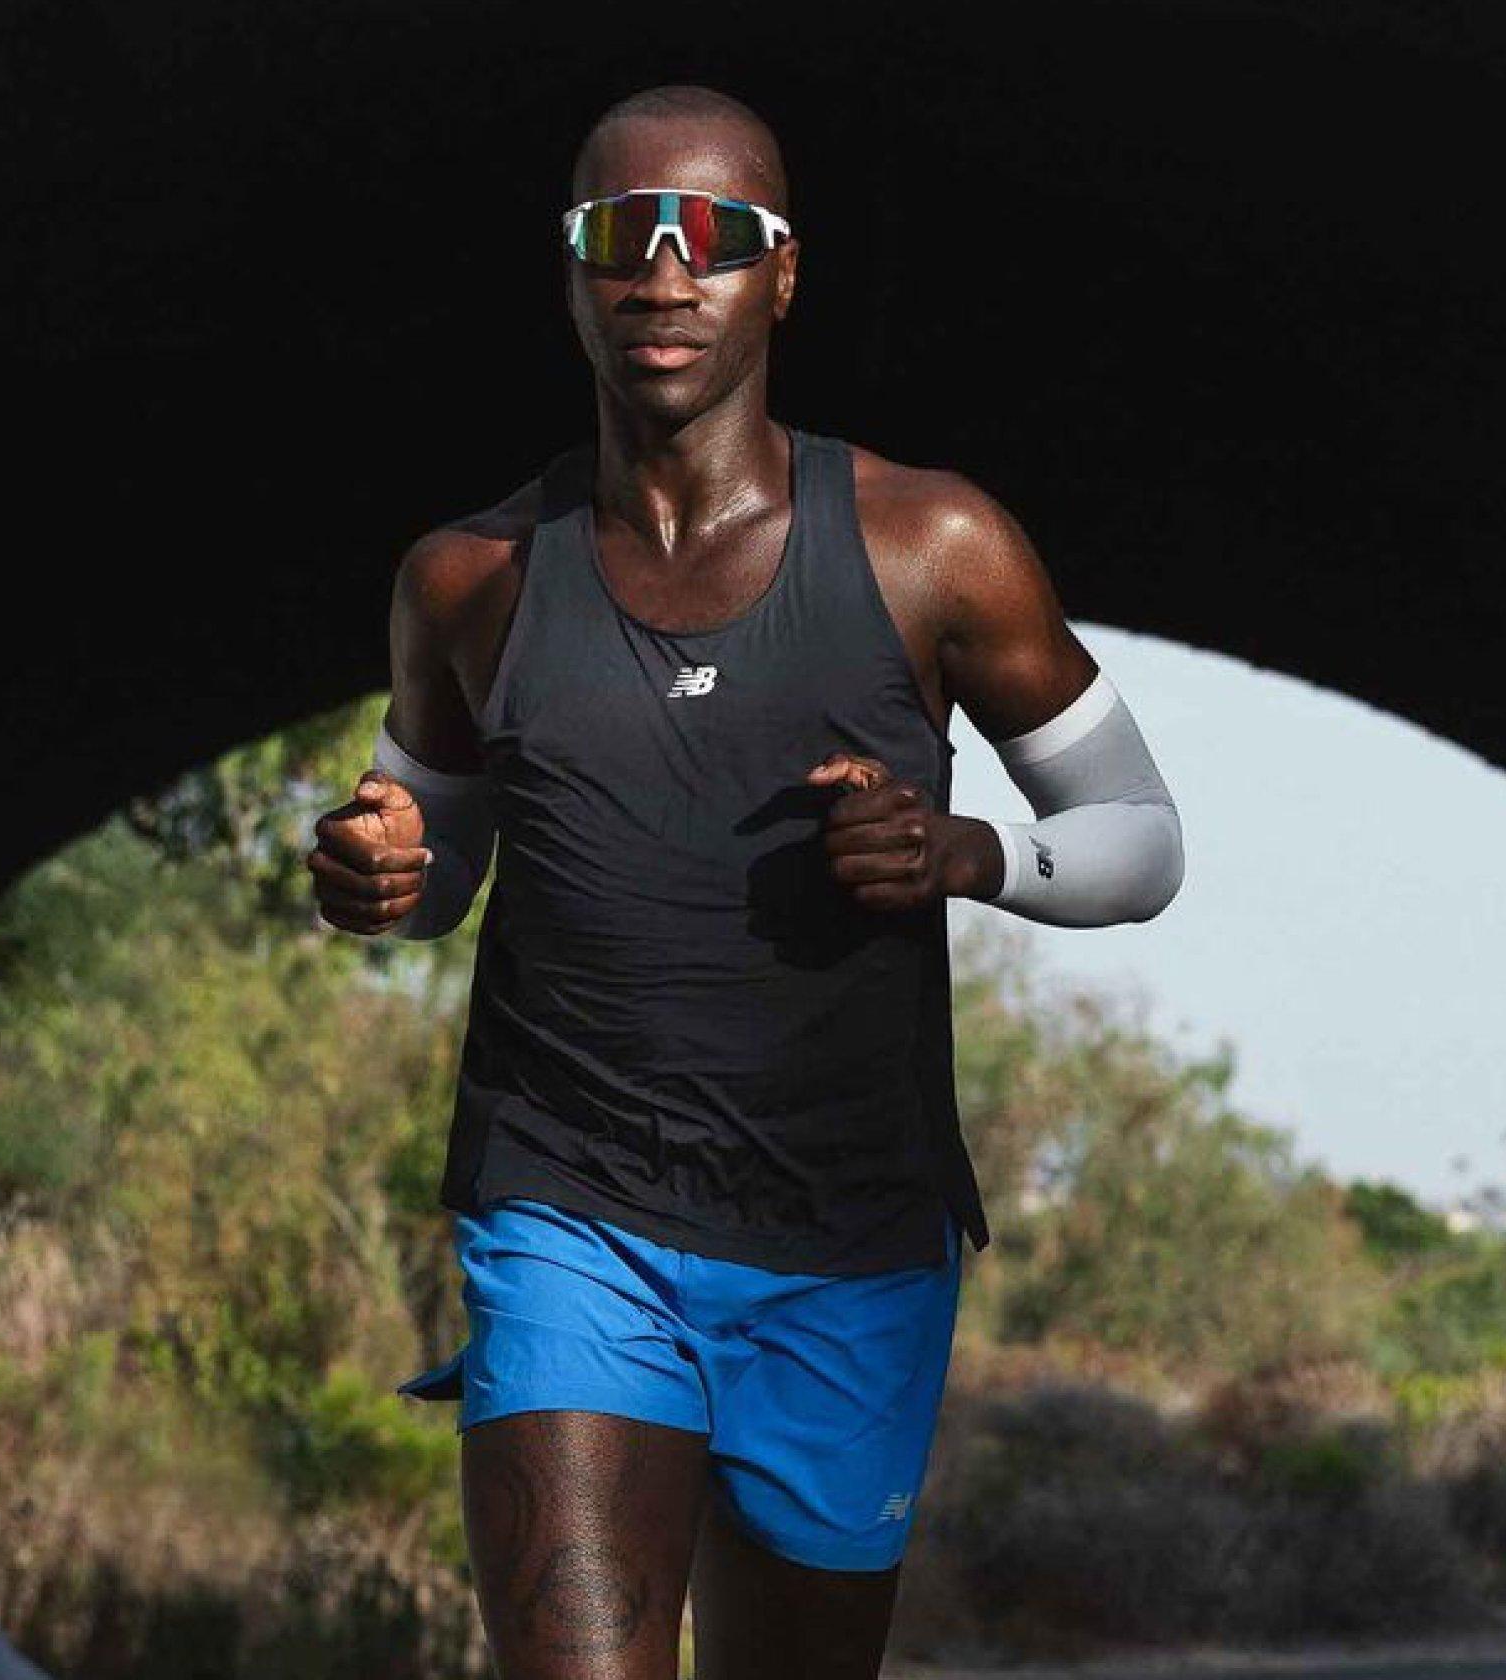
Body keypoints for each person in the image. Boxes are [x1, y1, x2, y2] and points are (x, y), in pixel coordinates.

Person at [305, 82, 1184, 1680]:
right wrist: (379, 879)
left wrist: (969, 852)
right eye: (616, 237)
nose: (659, 273)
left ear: (780, 274)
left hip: (849, 1238)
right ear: (572, 274)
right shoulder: (470, 581)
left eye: (708, 235)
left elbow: (1139, 834)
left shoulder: (936, 544)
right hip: (573, 1215)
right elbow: (430, 863)